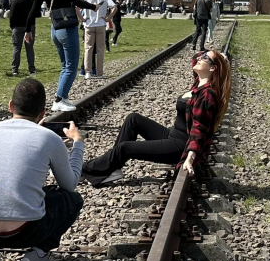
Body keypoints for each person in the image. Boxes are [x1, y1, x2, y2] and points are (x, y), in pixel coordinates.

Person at [0, 78, 85, 261]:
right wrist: (78, 143)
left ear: (10, 106)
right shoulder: (49, 138)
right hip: (29, 230)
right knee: (73, 200)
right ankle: (36, 257)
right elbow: (69, 185)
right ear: (43, 112)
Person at [81, 50, 231, 186]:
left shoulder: (207, 95)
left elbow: (199, 130)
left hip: (179, 146)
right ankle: (112, 169)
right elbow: (194, 59)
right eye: (202, 55)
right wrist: (215, 56)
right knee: (133, 119)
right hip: (172, 134)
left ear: (212, 68)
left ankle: (83, 169)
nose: (200, 58)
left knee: (125, 148)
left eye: (205, 58)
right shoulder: (198, 83)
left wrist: (190, 158)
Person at [25, 0, 99, 112]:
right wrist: (93, 7)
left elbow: (33, 11)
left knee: (65, 65)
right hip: (67, 28)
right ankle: (59, 98)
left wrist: (27, 30)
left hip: (55, 29)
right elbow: (75, 1)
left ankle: (62, 97)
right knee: (71, 65)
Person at [78, 0, 115, 80]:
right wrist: (108, 18)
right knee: (100, 49)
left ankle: (88, 72)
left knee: (88, 49)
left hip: (89, 24)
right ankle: (99, 73)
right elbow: (114, 7)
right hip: (101, 24)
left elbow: (77, 8)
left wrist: (82, 19)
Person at [10, 0, 36, 76]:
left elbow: (12, 14)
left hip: (17, 27)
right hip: (30, 27)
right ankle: (32, 69)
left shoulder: (16, 0)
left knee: (17, 48)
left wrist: (12, 26)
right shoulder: (31, 0)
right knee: (29, 48)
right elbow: (36, 13)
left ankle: (15, 69)